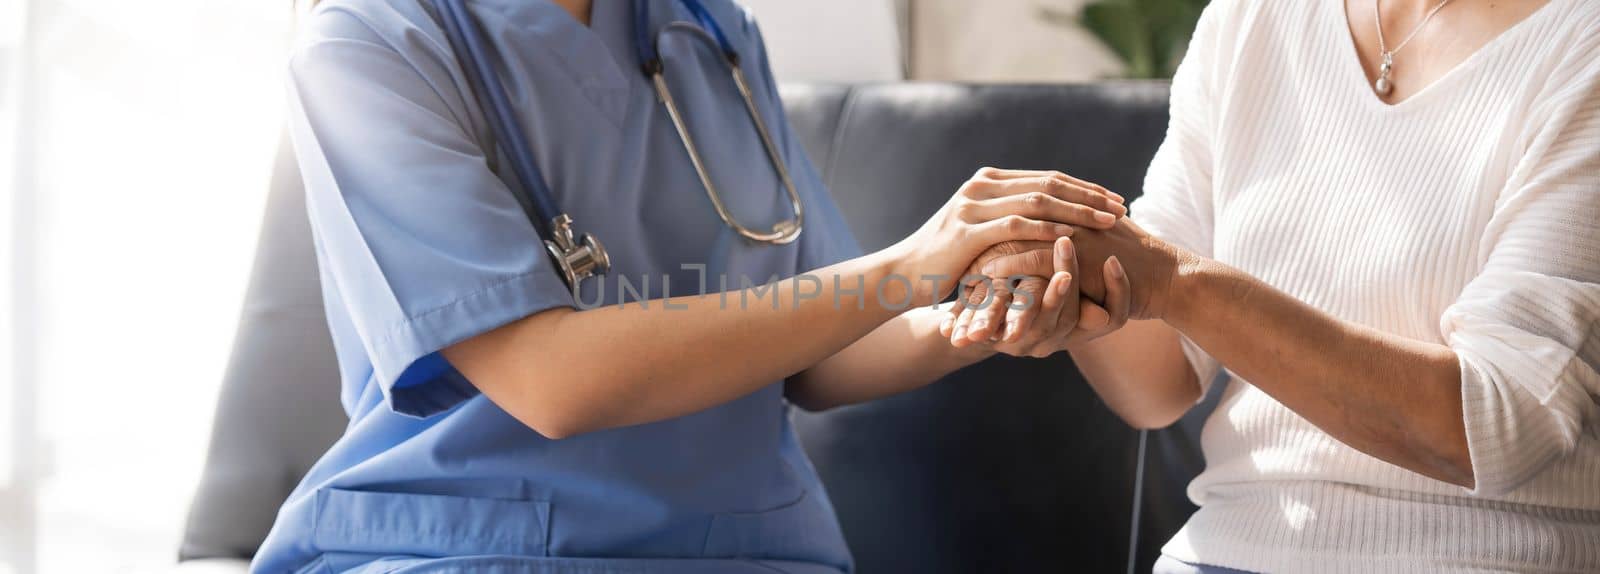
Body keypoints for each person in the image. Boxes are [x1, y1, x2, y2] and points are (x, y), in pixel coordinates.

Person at [252, 0, 1124, 572]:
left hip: (751, 548)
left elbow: (821, 352)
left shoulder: (703, 30)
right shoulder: (366, 46)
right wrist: (906, 269)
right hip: (476, 544)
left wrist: (972, 310)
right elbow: (553, 380)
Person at [954, 0, 1600, 571]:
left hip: (1483, 554)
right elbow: (1157, 384)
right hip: (1226, 547)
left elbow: (1495, 425)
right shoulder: (1251, 18)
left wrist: (1176, 282)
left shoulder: (1581, 45)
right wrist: (1070, 271)